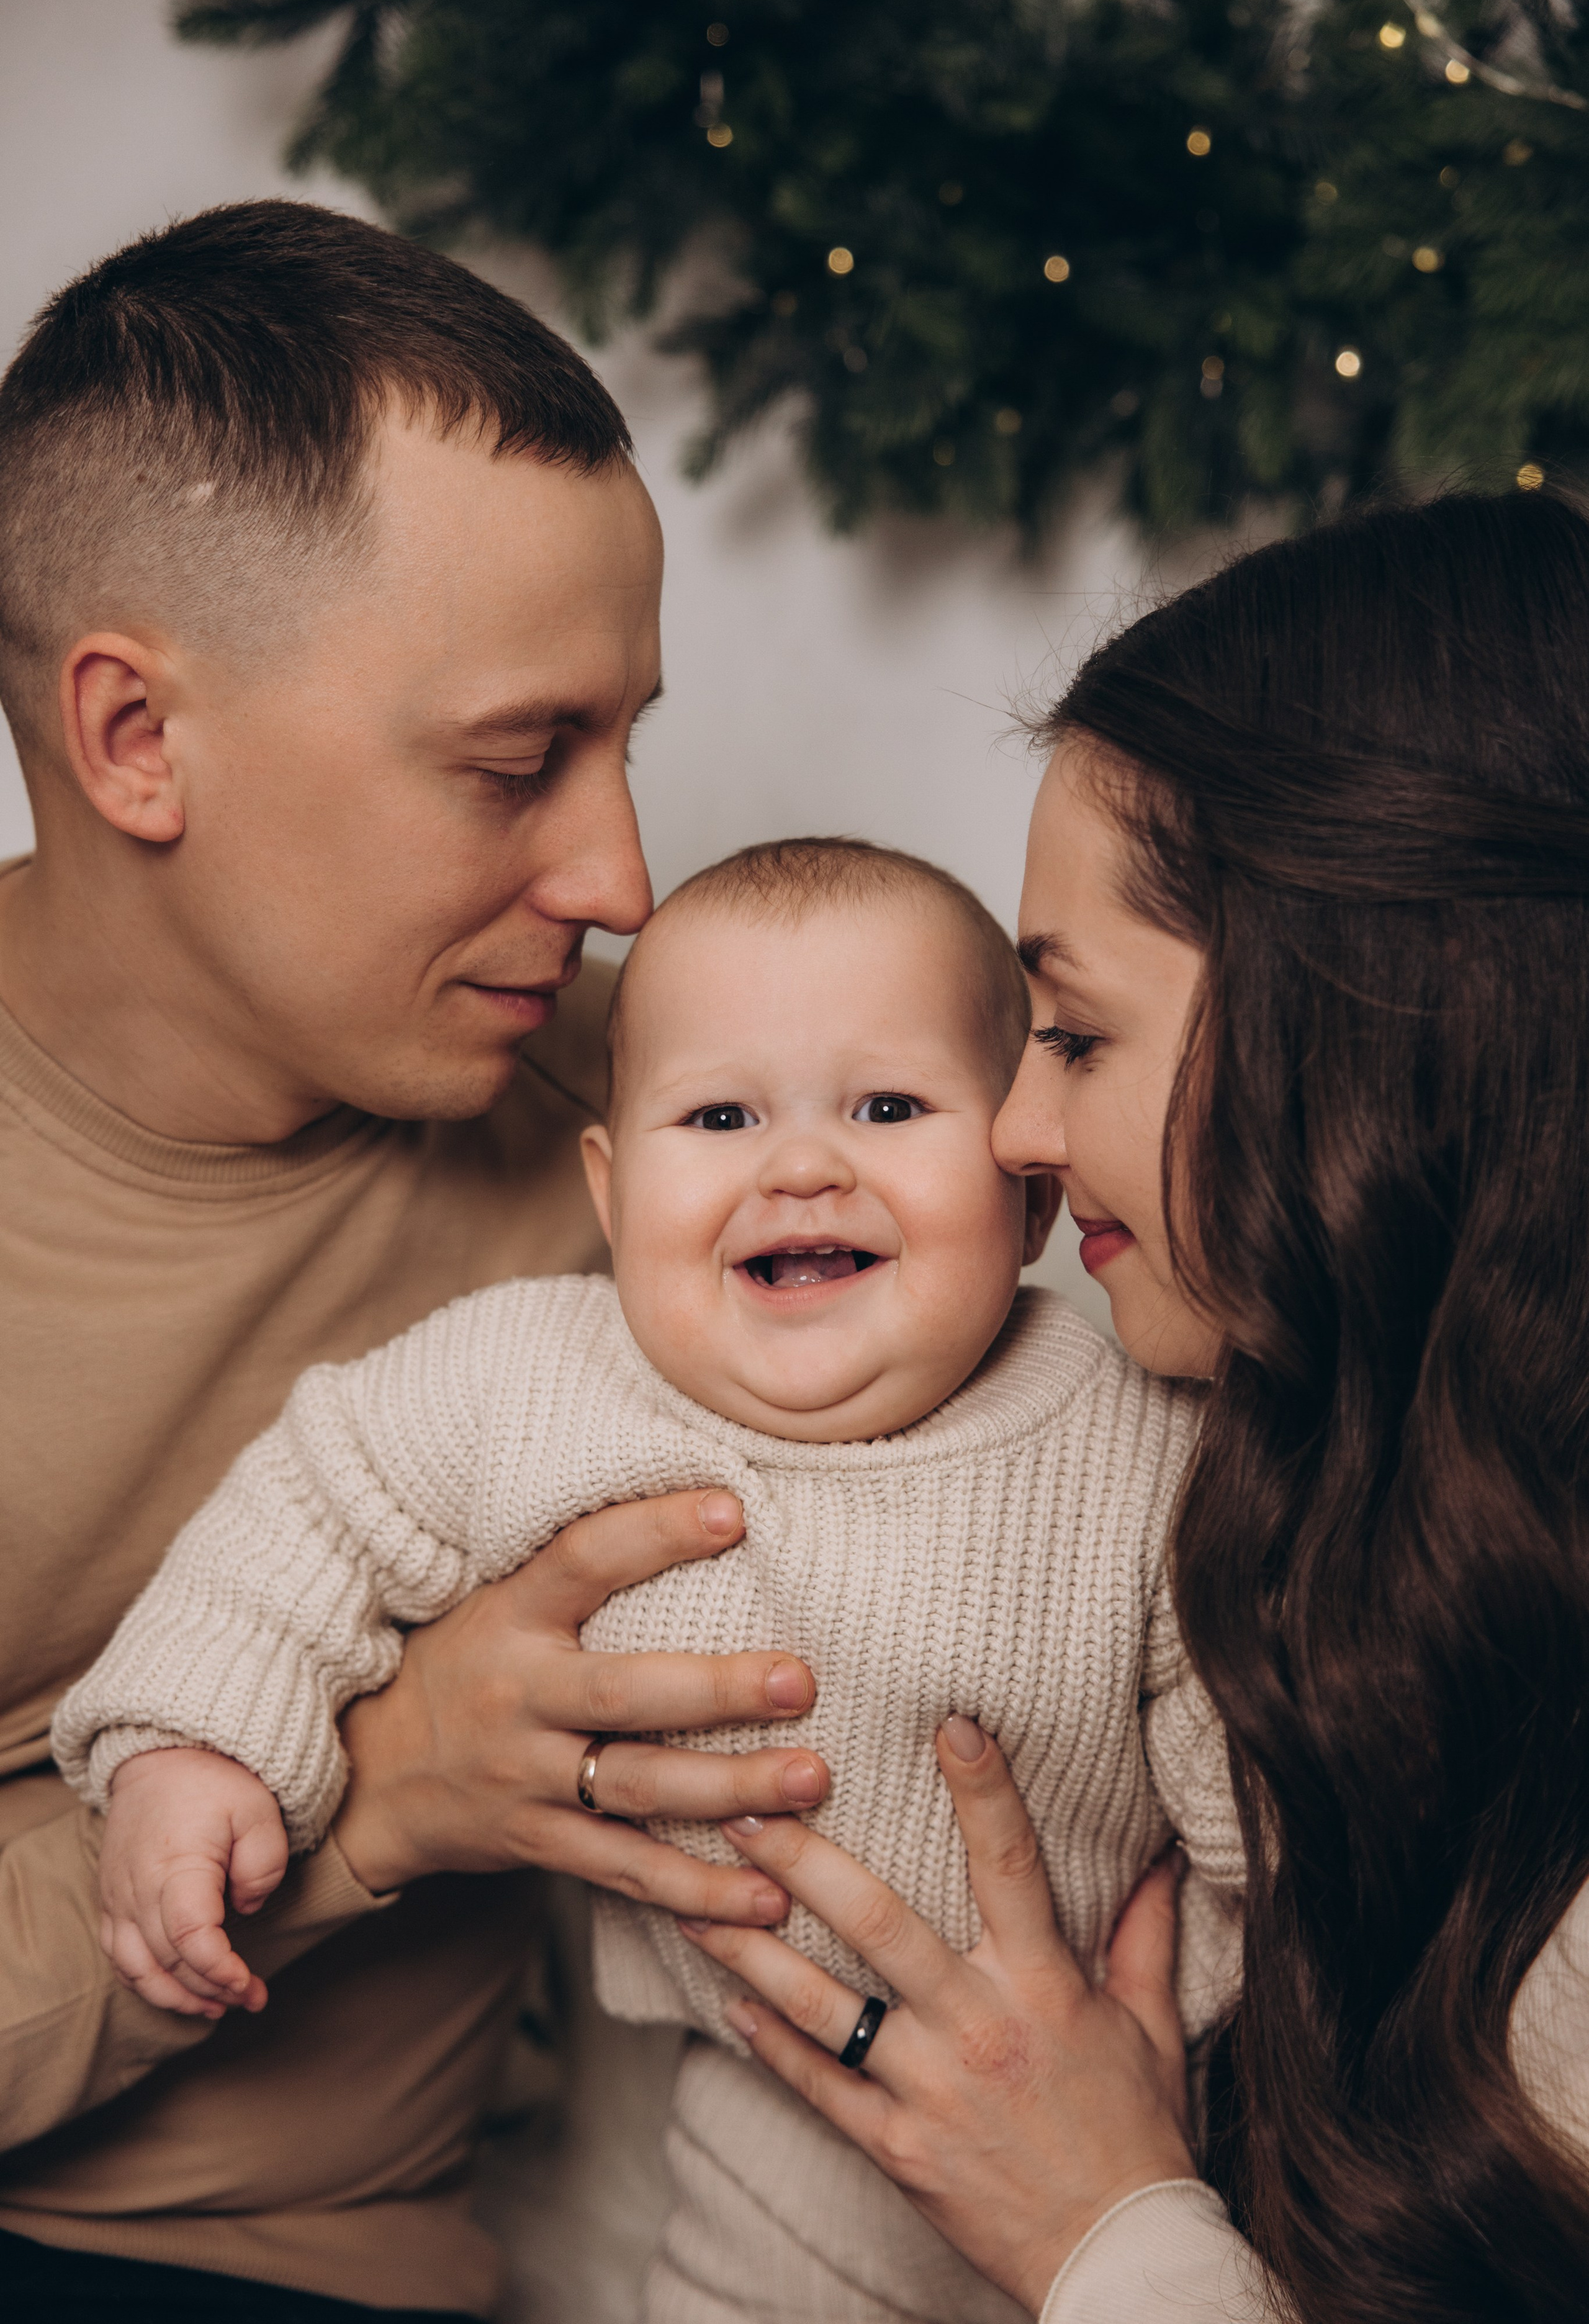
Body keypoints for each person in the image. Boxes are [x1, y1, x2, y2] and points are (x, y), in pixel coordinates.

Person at [56, 834, 1244, 2324]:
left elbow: (1244, 1733)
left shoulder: (1135, 1434)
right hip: (770, 2109)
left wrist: (1227, 1988)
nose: (800, 1164)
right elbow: (307, 1509)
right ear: (612, 1196)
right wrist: (193, 1745)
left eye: (886, 1106)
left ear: (1020, 1186)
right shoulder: (535, 1381)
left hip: (1145, 2096)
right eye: (720, 1114)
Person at [0, 200, 834, 2322]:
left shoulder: (646, 1129)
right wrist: (369, 1804)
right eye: (514, 761)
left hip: (340, 2276)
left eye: (628, 740)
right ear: (134, 741)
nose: (625, 874)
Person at [664, 493, 1589, 2324]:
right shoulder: (1292, 1498)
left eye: (1078, 1038)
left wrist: (1110, 2230)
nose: (1014, 1132)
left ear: (1379, 1030)